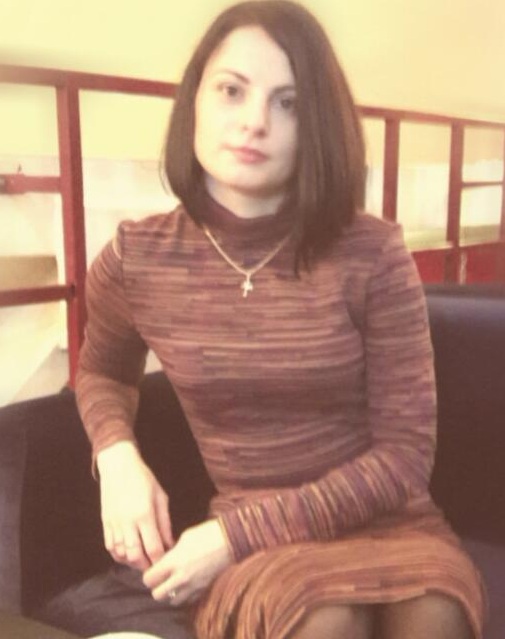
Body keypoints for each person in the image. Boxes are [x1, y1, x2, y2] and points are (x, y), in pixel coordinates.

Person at [36, 1, 486, 637]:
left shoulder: (373, 252)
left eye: (288, 103)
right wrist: (117, 458)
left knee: (434, 617)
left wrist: (230, 537)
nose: (254, 122)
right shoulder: (140, 258)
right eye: (232, 91)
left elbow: (404, 456)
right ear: (195, 99)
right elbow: (102, 372)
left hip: (385, 523)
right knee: (325, 621)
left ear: (317, 124)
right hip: (264, 549)